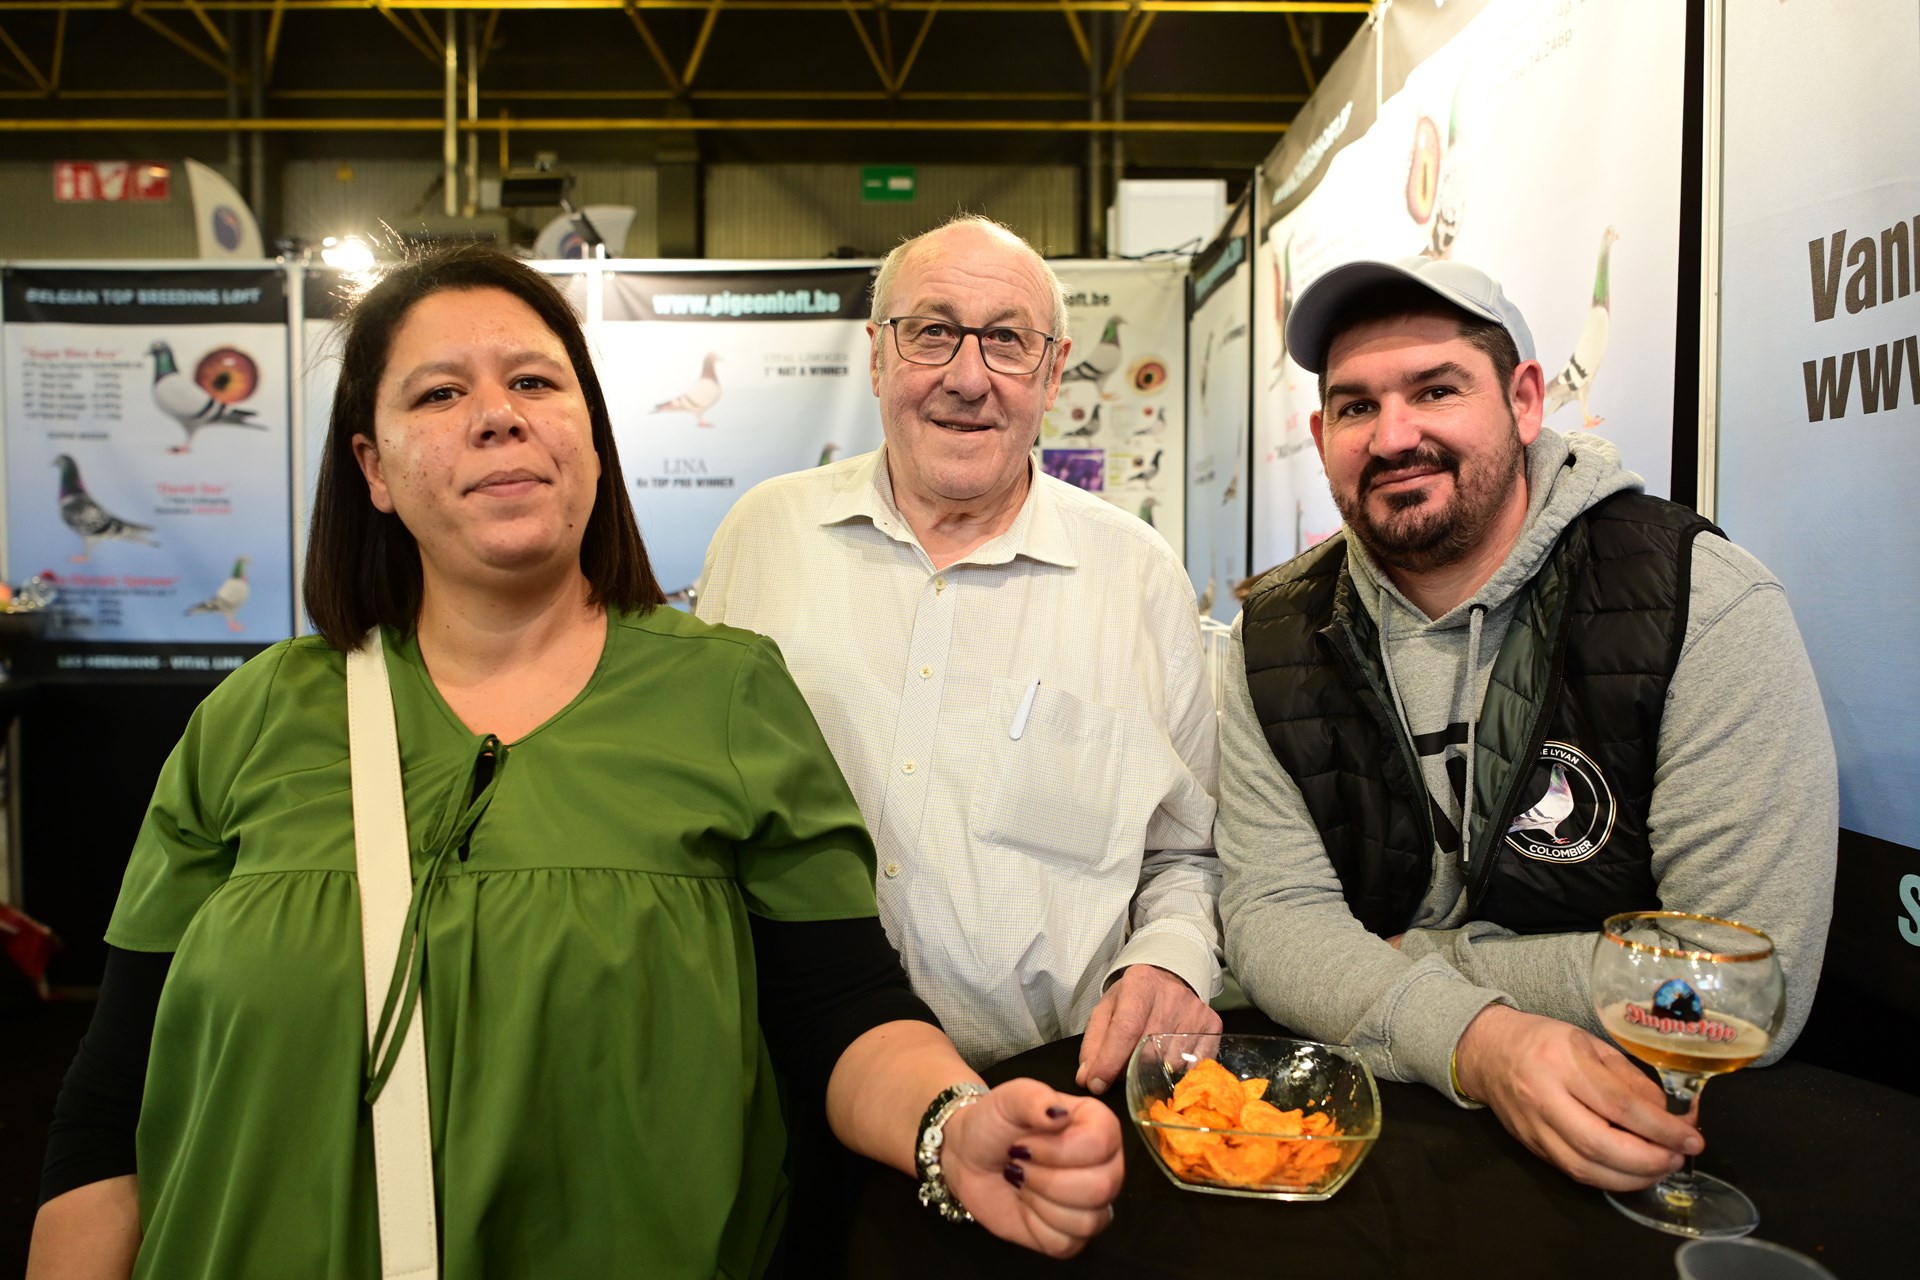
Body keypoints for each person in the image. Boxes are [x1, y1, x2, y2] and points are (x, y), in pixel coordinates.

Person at [27, 245, 1122, 1279]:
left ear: (592, 439)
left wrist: (952, 1129)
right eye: (439, 393)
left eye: (535, 383)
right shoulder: (254, 720)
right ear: (373, 467)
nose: (497, 414)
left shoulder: (726, 695)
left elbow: (839, 1006)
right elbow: (110, 1102)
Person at [1216, 257, 1837, 1192]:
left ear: (1525, 401)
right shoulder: (1271, 635)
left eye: (1436, 390)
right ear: (1320, 434)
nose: (1394, 435)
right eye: (1356, 406)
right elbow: (1273, 921)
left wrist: (1435, 962)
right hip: (1366, 1133)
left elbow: (1742, 985)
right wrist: (1480, 1040)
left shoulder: (1698, 602)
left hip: (1640, 1135)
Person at [697, 215, 1222, 1095]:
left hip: (1045, 1096)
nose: (969, 378)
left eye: (1008, 341)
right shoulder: (765, 537)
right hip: (778, 1092)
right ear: (877, 355)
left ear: (1053, 373)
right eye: (932, 332)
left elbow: (1187, 854)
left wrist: (1168, 961)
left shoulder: (1137, 578)